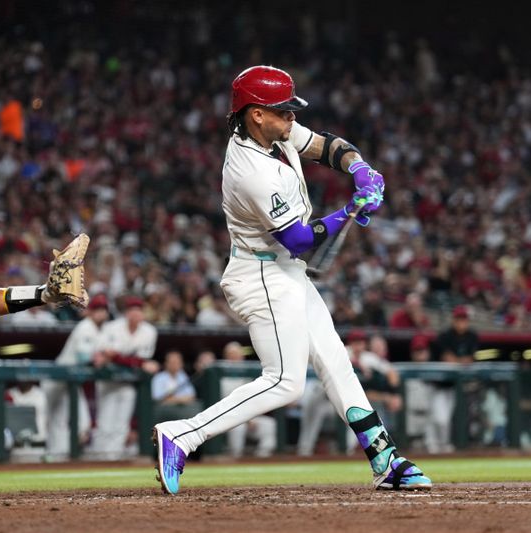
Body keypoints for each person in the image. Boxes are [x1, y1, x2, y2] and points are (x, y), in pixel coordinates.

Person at [153, 66, 430, 494]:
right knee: (285, 381)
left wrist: (361, 169)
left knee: (336, 361)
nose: (292, 119)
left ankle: (385, 458)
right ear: (256, 115)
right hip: (261, 272)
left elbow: (325, 146)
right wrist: (348, 211)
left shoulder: (275, 132)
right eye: (283, 112)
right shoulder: (250, 169)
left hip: (285, 270)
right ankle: (184, 434)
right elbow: (300, 240)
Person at [90, 295, 159, 459]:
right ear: (126, 313)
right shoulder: (112, 327)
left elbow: (141, 358)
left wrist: (120, 358)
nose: (135, 314)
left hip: (127, 382)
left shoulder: (149, 331)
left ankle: (115, 457)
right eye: (132, 310)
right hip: (108, 380)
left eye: (139, 310)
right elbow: (107, 354)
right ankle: (100, 456)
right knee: (105, 421)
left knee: (121, 423)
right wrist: (135, 362)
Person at [42, 294, 109, 458]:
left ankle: (58, 454)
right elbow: (83, 356)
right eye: (97, 310)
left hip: (69, 380)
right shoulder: (85, 327)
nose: (101, 313)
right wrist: (100, 357)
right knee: (47, 418)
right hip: (58, 376)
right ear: (91, 312)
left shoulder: (100, 331)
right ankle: (49, 453)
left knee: (68, 420)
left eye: (104, 310)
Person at [427, 305, 479, 453]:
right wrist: (461, 361)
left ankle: (443, 445)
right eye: (459, 319)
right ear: (453, 320)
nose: (462, 322)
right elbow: (447, 358)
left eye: (464, 319)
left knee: (448, 419)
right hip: (439, 384)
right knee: (438, 418)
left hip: (457, 386)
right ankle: (434, 445)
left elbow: (472, 358)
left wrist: (459, 361)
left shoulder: (472, 336)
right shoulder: (445, 336)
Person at [220, 341, 277, 458]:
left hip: (250, 416)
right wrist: (246, 419)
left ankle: (261, 459)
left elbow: (255, 400)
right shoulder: (222, 374)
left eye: (238, 355)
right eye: (233, 355)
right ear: (227, 356)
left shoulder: (247, 373)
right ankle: (236, 459)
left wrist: (250, 417)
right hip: (230, 418)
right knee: (238, 428)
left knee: (270, 425)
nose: (237, 358)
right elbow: (228, 403)